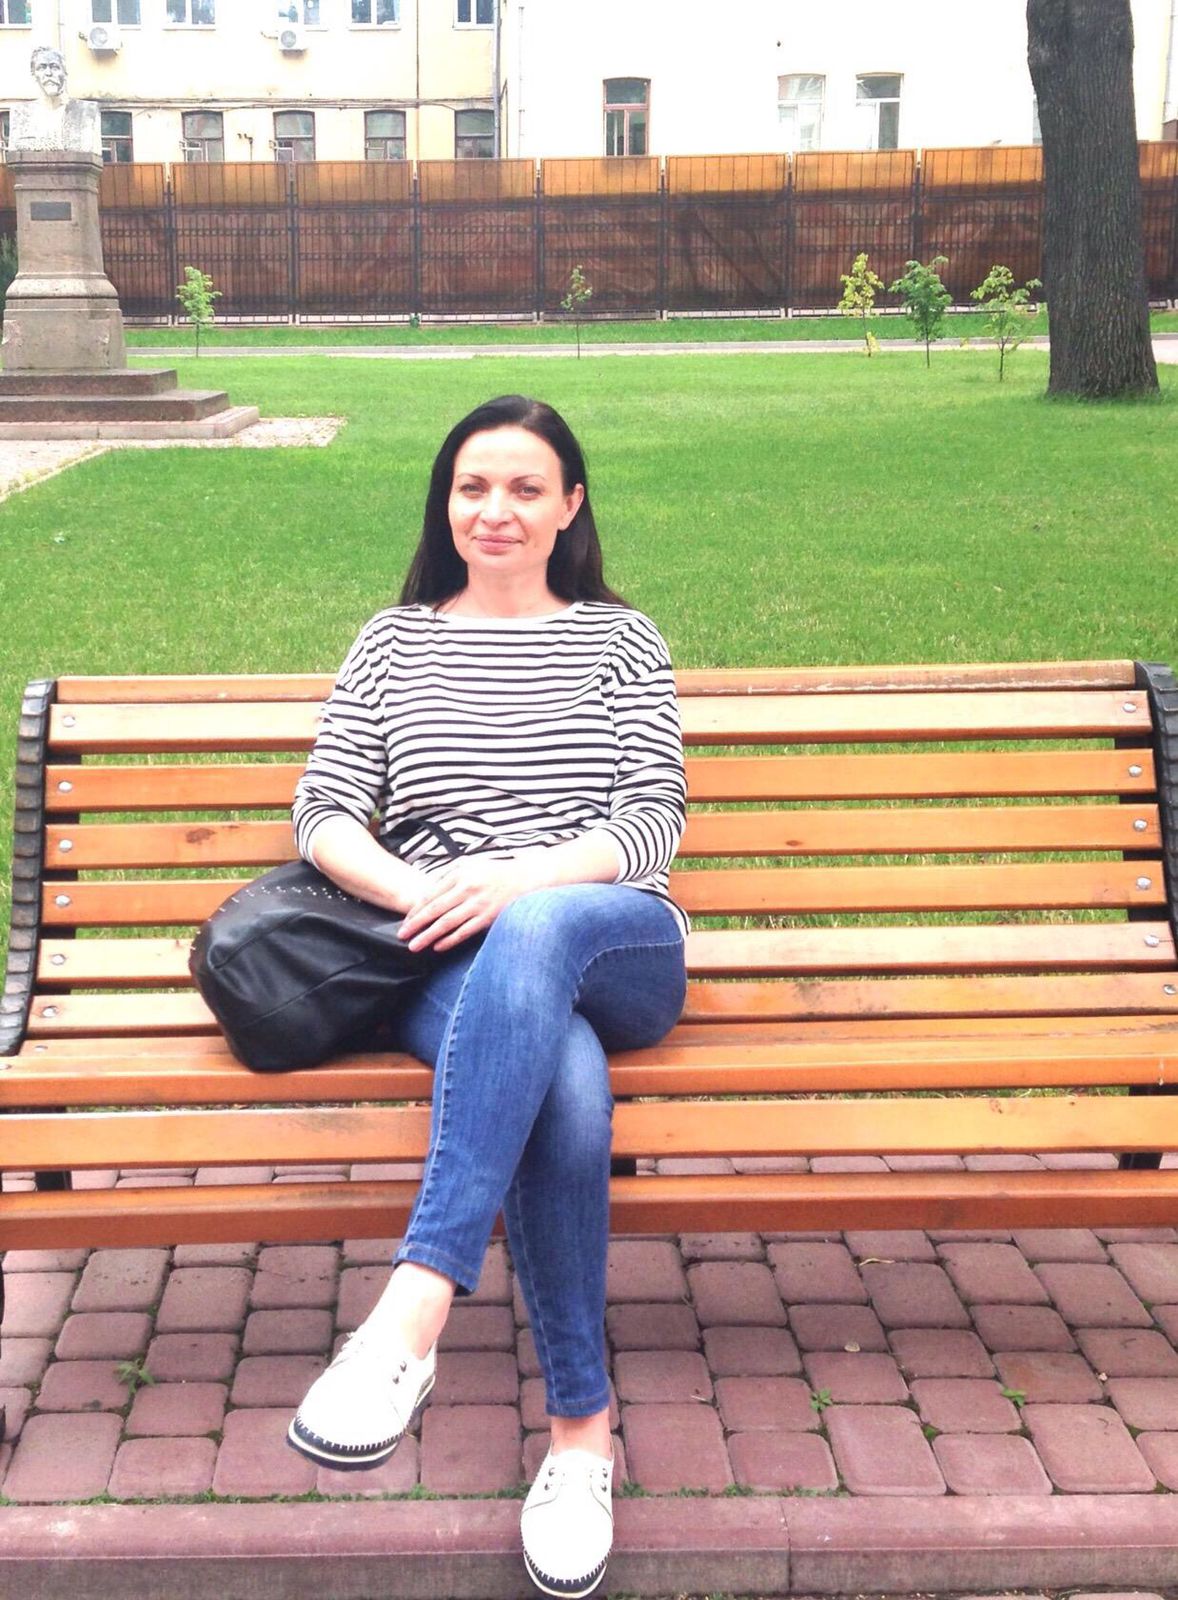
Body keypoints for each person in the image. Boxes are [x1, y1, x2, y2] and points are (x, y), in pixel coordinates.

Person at [285, 394, 688, 1598]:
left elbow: (651, 822)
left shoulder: (620, 640)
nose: (494, 509)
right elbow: (322, 812)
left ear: (570, 507)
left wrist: (516, 881)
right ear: (444, 503)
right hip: (443, 953)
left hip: (608, 934)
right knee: (561, 1081)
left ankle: (413, 1306)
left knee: (543, 925)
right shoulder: (393, 642)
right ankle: (579, 1437)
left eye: (524, 487)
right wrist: (425, 892)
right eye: (472, 486)